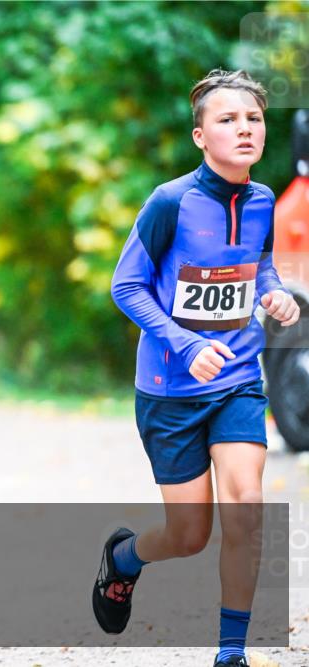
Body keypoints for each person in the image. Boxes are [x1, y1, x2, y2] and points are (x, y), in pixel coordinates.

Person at [97, 69, 300, 667]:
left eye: (254, 119)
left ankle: (229, 655)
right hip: (169, 389)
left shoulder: (263, 200)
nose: (244, 129)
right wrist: (184, 343)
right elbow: (126, 286)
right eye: (227, 119)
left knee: (248, 506)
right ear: (199, 136)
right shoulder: (170, 201)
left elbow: (257, 266)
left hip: (237, 377)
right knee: (189, 536)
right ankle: (125, 558)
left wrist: (275, 293)